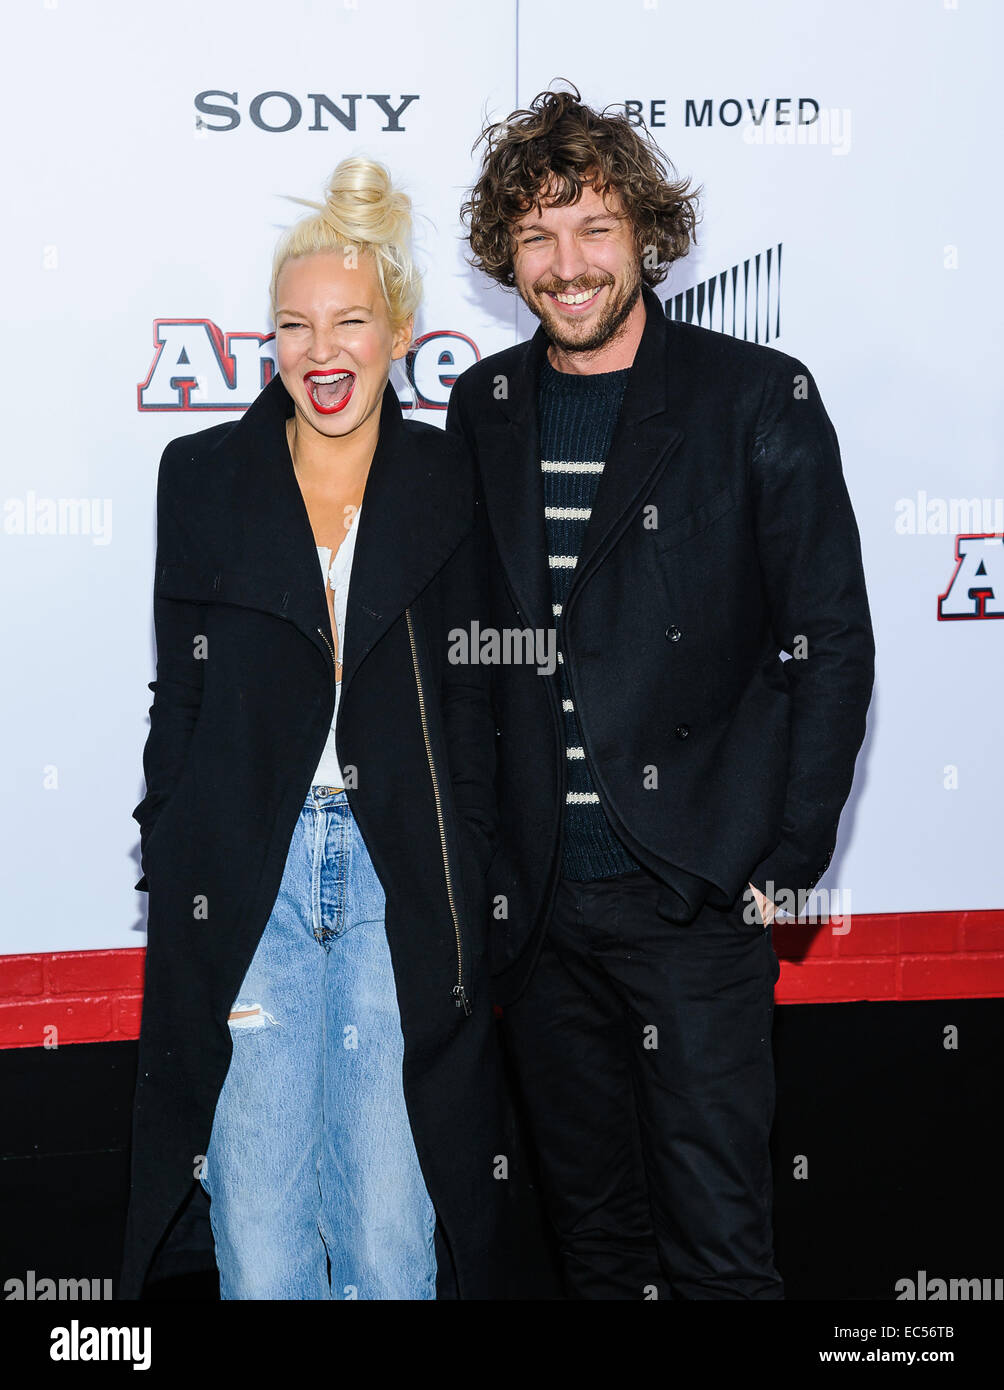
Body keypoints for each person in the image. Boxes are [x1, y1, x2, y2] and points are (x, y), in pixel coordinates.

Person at [447, 84, 875, 1299]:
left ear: (644, 232)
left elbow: (828, 643)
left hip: (694, 898)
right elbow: (470, 657)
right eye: (535, 234)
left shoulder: (754, 396)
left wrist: (784, 858)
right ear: (504, 256)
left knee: (718, 1248)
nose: (566, 264)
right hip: (535, 913)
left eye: (591, 227)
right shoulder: (479, 408)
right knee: (596, 1244)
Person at [120, 158, 505, 1300]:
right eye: (294, 325)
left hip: (405, 884)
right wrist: (174, 827)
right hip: (253, 878)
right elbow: (175, 692)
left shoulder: (454, 479)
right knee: (260, 1230)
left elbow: (483, 702)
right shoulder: (201, 478)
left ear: (398, 328)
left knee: (393, 1233)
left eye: (348, 321)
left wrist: (473, 857)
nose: (320, 351)